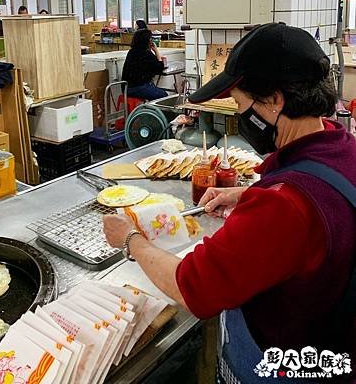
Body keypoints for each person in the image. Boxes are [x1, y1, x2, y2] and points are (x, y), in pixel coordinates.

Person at [104, 23, 355, 382]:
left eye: (240, 104)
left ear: (275, 100)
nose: (239, 116)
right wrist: (248, 193)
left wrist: (131, 239)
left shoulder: (283, 206)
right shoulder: (343, 147)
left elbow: (191, 288)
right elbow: (323, 203)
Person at [122, 29, 167, 100]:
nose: (152, 40)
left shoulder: (131, 52)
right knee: (164, 95)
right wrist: (156, 51)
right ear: (147, 40)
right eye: (151, 38)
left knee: (155, 90)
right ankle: (154, 111)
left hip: (127, 87)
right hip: (137, 87)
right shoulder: (146, 53)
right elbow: (159, 67)